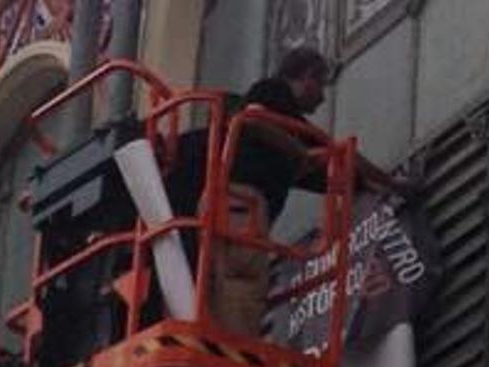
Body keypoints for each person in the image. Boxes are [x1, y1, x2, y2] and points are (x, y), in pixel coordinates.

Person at [164, 47, 415, 335]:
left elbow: (337, 164)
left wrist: (371, 184)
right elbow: (255, 118)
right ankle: (229, 350)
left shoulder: (282, 138)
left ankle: (204, 336)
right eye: (321, 85)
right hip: (240, 207)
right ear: (308, 77)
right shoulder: (273, 94)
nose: (322, 98)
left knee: (216, 285)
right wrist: (394, 185)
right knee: (242, 283)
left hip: (223, 206)